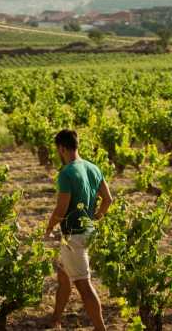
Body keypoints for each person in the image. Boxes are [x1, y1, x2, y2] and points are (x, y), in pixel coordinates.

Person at [44, 129, 113, 331]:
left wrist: (49, 227)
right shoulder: (93, 168)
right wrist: (97, 216)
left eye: (58, 150)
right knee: (64, 278)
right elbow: (108, 199)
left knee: (84, 285)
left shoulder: (66, 173)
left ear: (62, 148)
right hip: (87, 232)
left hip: (73, 235)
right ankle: (55, 319)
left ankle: (101, 329)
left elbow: (61, 208)